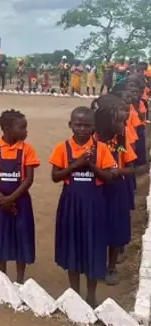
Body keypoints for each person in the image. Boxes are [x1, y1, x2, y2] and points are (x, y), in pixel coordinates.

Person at [50, 106, 116, 307]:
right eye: (78, 124)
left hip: (94, 206)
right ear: (70, 125)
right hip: (71, 205)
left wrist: (91, 166)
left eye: (87, 125)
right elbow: (55, 176)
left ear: (94, 127)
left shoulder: (102, 149)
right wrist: (75, 165)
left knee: (93, 247)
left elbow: (110, 177)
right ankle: (75, 294)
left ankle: (91, 296)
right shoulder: (63, 148)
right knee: (73, 246)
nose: (82, 129)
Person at [0, 110, 39, 283]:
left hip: (20, 201)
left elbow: (28, 179)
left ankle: (20, 280)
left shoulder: (27, 149)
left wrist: (11, 199)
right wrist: (1, 198)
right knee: (0, 237)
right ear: (7, 128)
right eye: (21, 127)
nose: (26, 131)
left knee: (22, 237)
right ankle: (2, 277)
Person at [91, 94, 136, 285]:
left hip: (117, 188)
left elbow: (131, 165)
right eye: (119, 121)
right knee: (98, 227)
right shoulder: (91, 141)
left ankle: (111, 267)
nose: (123, 125)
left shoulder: (120, 140)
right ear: (106, 121)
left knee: (115, 227)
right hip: (96, 188)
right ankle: (98, 265)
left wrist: (119, 172)